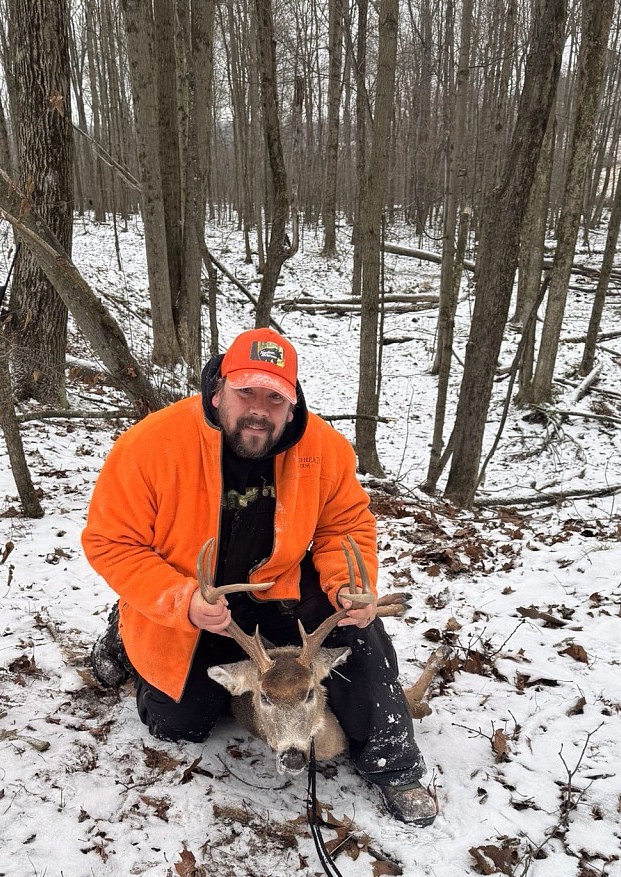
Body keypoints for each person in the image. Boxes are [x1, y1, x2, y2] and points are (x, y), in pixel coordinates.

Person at [81, 328, 436, 826]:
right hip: (192, 599)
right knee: (178, 724)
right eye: (246, 391)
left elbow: (345, 525)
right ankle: (125, 631)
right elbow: (109, 542)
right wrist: (180, 601)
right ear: (218, 389)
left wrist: (346, 586)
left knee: (356, 628)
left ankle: (394, 763)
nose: (258, 409)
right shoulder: (151, 445)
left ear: (292, 404)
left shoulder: (323, 449)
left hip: (280, 591)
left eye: (275, 397)